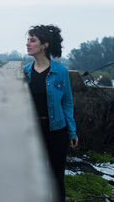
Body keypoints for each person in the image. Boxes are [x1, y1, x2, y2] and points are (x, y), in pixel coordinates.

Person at [23, 24, 79, 202]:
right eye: (28, 40)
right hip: (32, 131)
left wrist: (72, 131)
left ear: (45, 45)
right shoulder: (24, 72)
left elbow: (67, 103)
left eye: (32, 40)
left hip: (56, 131)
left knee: (56, 179)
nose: (27, 44)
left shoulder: (60, 71)